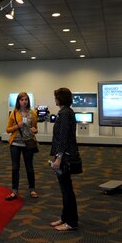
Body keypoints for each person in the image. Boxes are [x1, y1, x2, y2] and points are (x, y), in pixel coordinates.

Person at [49, 87, 79, 231]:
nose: (54, 99)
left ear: (60, 98)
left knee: (67, 190)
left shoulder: (66, 113)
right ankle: (64, 217)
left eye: (56, 97)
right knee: (64, 189)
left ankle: (71, 222)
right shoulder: (64, 113)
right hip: (63, 155)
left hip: (65, 157)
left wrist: (58, 158)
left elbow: (64, 138)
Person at [5, 92, 39, 200]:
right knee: (15, 168)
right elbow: (8, 129)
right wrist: (16, 126)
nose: (24, 102)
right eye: (22, 100)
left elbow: (35, 128)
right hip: (15, 143)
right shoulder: (14, 113)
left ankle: (32, 189)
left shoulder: (33, 113)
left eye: (26, 99)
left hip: (28, 143)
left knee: (29, 167)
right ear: (18, 101)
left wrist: (35, 130)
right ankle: (14, 191)